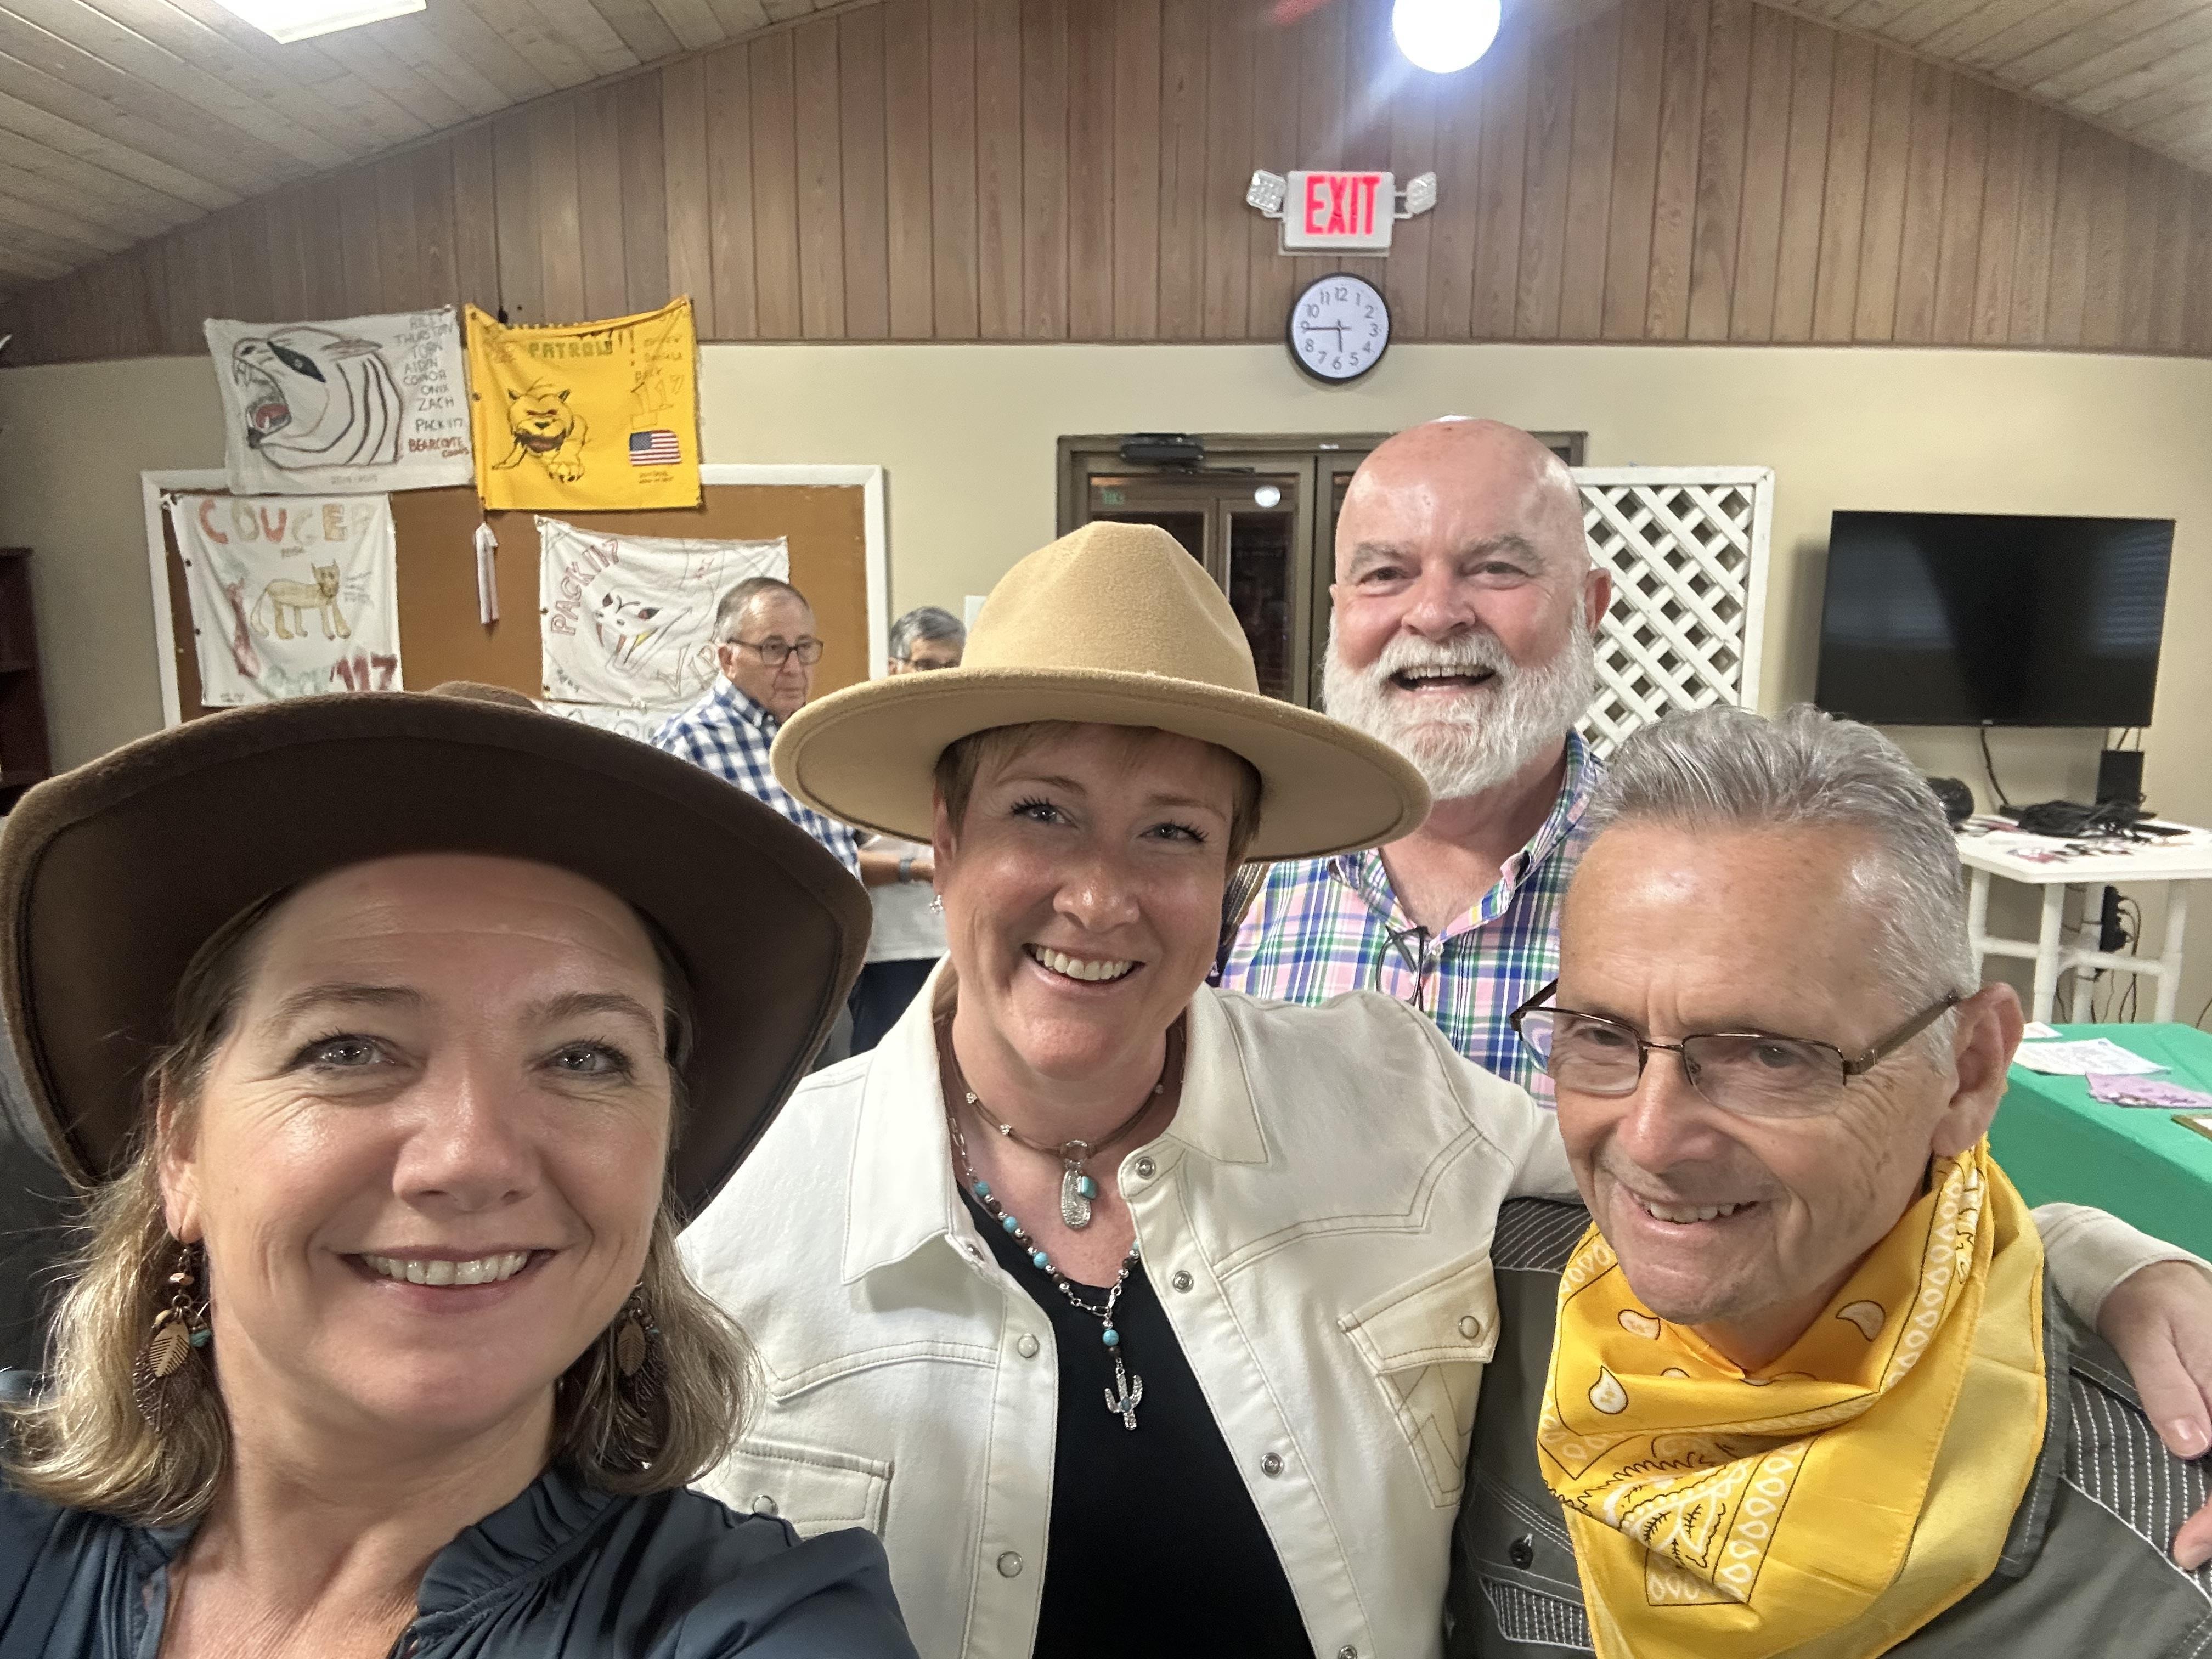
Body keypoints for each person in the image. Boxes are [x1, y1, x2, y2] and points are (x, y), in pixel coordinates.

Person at [679, 524, 2203, 1659]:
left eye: (1171, 836)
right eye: (1038, 813)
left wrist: (2096, 1266)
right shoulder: (744, 1224)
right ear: (941, 843)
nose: (1100, 895)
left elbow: (1712, 1182)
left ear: (1234, 882)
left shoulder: (1387, 1102)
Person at [0, 684, 916, 1659]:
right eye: (349, 1047)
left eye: (584, 1056)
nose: (470, 1158)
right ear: (179, 1141)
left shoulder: (763, 1620)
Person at [1448, 704, 2212, 1658]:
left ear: (1969, 1068)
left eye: (1767, 1053)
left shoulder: (2158, 1560)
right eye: (1600, 1035)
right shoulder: (1483, 1319)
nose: (1648, 1137)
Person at [1218, 417, 1605, 1096]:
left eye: (1495, 569)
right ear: (1339, 613)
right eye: (1386, 574)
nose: (1433, 614)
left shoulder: (1672, 883)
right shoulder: (1239, 865)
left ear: (1588, 607)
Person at [652, 575, 861, 880]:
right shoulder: (689, 744)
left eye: (803, 647)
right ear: (727, 660)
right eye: (773, 648)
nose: (794, 667)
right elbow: (666, 877)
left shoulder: (817, 737)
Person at [850, 606, 967, 1052]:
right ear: (894, 668)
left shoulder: (969, 740)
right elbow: (838, 857)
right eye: (925, 665)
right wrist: (914, 867)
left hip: (960, 943)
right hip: (891, 951)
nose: (938, 678)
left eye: (951, 667)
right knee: (886, 1079)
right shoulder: (861, 746)